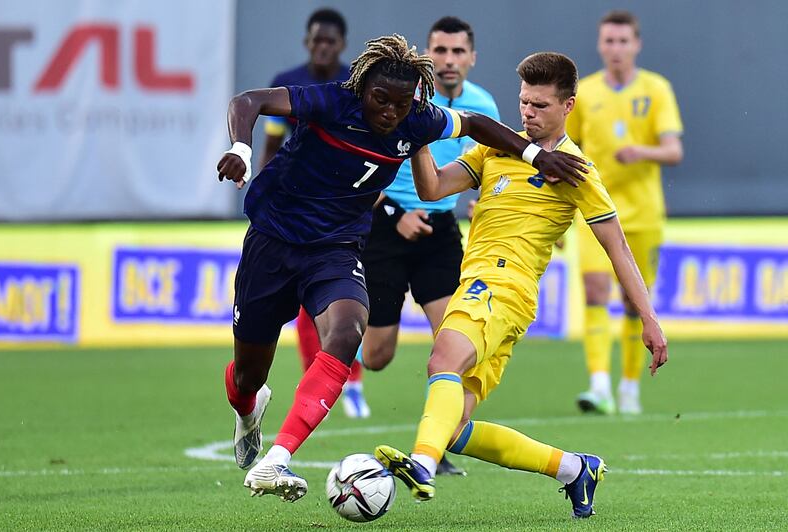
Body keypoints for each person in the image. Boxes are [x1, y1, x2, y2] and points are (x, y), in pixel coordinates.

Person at [216, 35, 586, 503]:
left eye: (402, 103)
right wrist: (242, 150)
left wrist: (534, 154)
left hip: (336, 247)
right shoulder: (332, 100)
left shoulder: (417, 118)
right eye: (381, 100)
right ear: (361, 89)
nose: (391, 112)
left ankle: (278, 459)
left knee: (349, 331)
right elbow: (247, 101)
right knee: (248, 376)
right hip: (273, 242)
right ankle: (248, 412)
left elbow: (473, 123)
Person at [375, 52, 668, 519]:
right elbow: (432, 190)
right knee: (452, 426)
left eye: (540, 106)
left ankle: (424, 466)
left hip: (504, 285)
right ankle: (574, 469)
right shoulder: (496, 147)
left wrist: (649, 319)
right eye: (524, 103)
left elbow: (618, 249)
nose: (527, 114)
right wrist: (418, 140)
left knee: (442, 358)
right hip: (486, 287)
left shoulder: (575, 170)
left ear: (568, 106)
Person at [359, 16, 499, 476]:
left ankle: (431, 447)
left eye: (459, 52)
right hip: (385, 225)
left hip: (440, 232)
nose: (449, 60)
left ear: (472, 57)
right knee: (378, 357)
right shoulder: (404, 100)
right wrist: (398, 216)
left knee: (452, 342)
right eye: (440, 51)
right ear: (427, 55)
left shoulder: (483, 107)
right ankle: (335, 341)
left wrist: (484, 206)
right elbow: (366, 167)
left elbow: (489, 170)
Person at [566, 10, 683, 415]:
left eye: (622, 41)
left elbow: (674, 150)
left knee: (636, 304)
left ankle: (630, 385)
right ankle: (599, 384)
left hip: (644, 214)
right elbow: (568, 149)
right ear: (600, 45)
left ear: (636, 44)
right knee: (596, 290)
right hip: (595, 211)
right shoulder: (585, 93)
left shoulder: (656, 89)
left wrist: (640, 152)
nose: (615, 48)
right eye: (609, 41)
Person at [256, 8, 369, 419]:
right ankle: (317, 385)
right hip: (294, 212)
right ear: (307, 41)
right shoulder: (286, 85)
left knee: (345, 301)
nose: (322, 46)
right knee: (305, 306)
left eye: (330, 41)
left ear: (341, 45)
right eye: (315, 40)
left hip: (344, 211)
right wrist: (264, 195)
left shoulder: (356, 86)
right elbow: (271, 145)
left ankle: (351, 381)